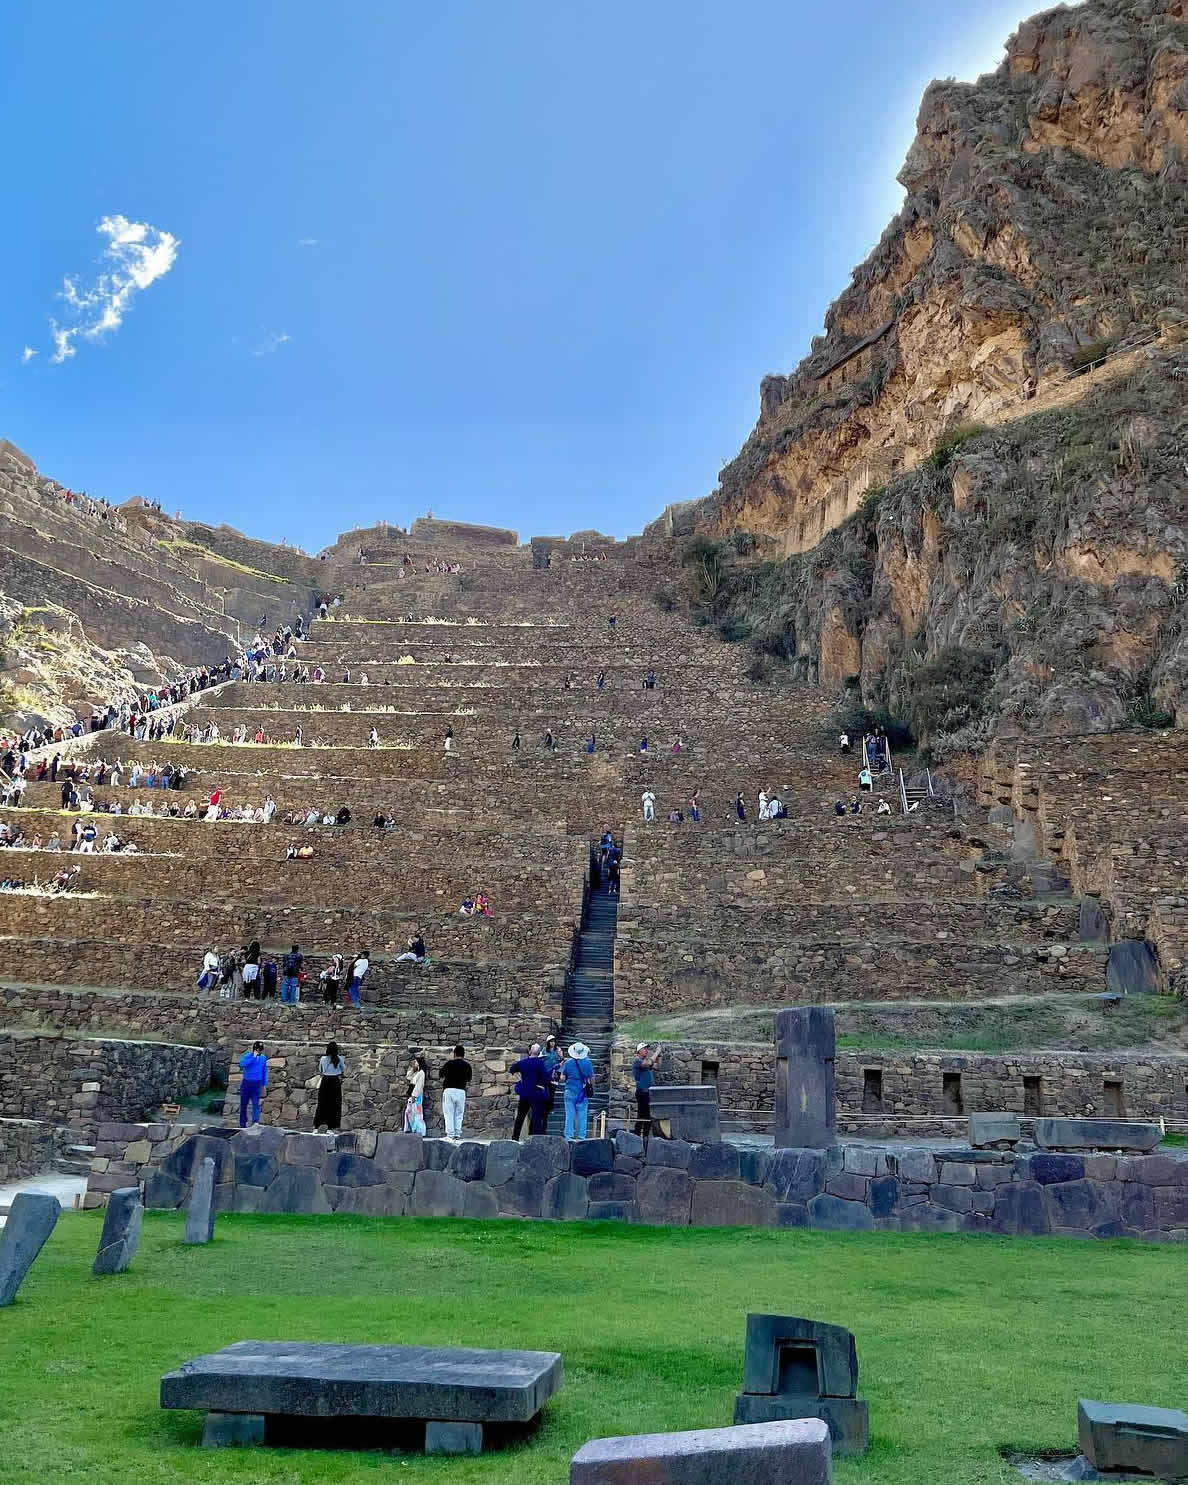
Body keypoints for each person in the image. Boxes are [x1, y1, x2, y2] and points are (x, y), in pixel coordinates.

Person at [510, 1043, 550, 1139]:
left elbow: (512, 1069)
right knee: (536, 1116)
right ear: (539, 1052)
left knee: (520, 1116)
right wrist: (543, 1086)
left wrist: (520, 1079)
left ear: (530, 1051)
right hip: (536, 1093)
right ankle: (534, 1137)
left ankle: (515, 1137)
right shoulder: (540, 1063)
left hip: (524, 1092)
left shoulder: (523, 1062)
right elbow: (545, 1078)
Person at [561, 1041, 595, 1140]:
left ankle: (568, 1136)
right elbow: (592, 1078)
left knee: (569, 1115)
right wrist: (591, 1086)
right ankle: (581, 1137)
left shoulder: (568, 1063)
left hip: (569, 1090)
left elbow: (562, 1077)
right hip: (582, 1092)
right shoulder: (588, 1063)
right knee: (582, 1115)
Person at [439, 1043, 473, 1140]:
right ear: (463, 1054)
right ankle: (457, 1134)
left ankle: (450, 1134)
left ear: (454, 1054)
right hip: (461, 1091)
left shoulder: (449, 1064)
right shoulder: (467, 1066)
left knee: (449, 1113)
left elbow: (440, 1074)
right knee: (459, 1113)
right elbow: (469, 1079)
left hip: (449, 1090)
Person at [633, 1042, 661, 1139]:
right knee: (642, 1116)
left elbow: (657, 1066)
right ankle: (637, 1137)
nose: (646, 1050)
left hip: (648, 1093)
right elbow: (649, 1063)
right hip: (642, 1092)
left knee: (647, 1117)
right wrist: (657, 1052)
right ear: (639, 1051)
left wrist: (659, 1055)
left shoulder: (645, 1061)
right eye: (644, 1049)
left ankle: (645, 1138)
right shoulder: (638, 1061)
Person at [314, 1041, 345, 1131]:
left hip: (326, 1081)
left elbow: (321, 1069)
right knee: (335, 1103)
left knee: (323, 1102)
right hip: (335, 1081)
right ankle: (333, 1124)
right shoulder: (339, 1059)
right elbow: (343, 1069)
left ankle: (320, 1122)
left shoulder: (323, 1059)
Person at [238, 1041, 268, 1127]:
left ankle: (255, 1122)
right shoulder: (247, 1056)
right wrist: (253, 1058)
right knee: (243, 1104)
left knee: (255, 1104)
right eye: (258, 1050)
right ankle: (242, 1123)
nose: (260, 1052)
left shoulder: (263, 1058)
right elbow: (242, 1064)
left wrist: (264, 1084)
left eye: (260, 1050)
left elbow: (264, 1071)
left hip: (256, 1084)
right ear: (255, 1049)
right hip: (247, 1083)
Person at [403, 1054, 427, 1135]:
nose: (414, 1063)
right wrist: (412, 1069)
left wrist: (414, 1096)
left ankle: (420, 1131)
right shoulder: (416, 1072)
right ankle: (411, 1128)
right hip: (412, 1094)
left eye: (416, 1062)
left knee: (418, 1113)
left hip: (416, 1095)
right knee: (409, 1112)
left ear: (419, 1063)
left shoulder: (421, 1073)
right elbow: (408, 1077)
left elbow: (419, 1085)